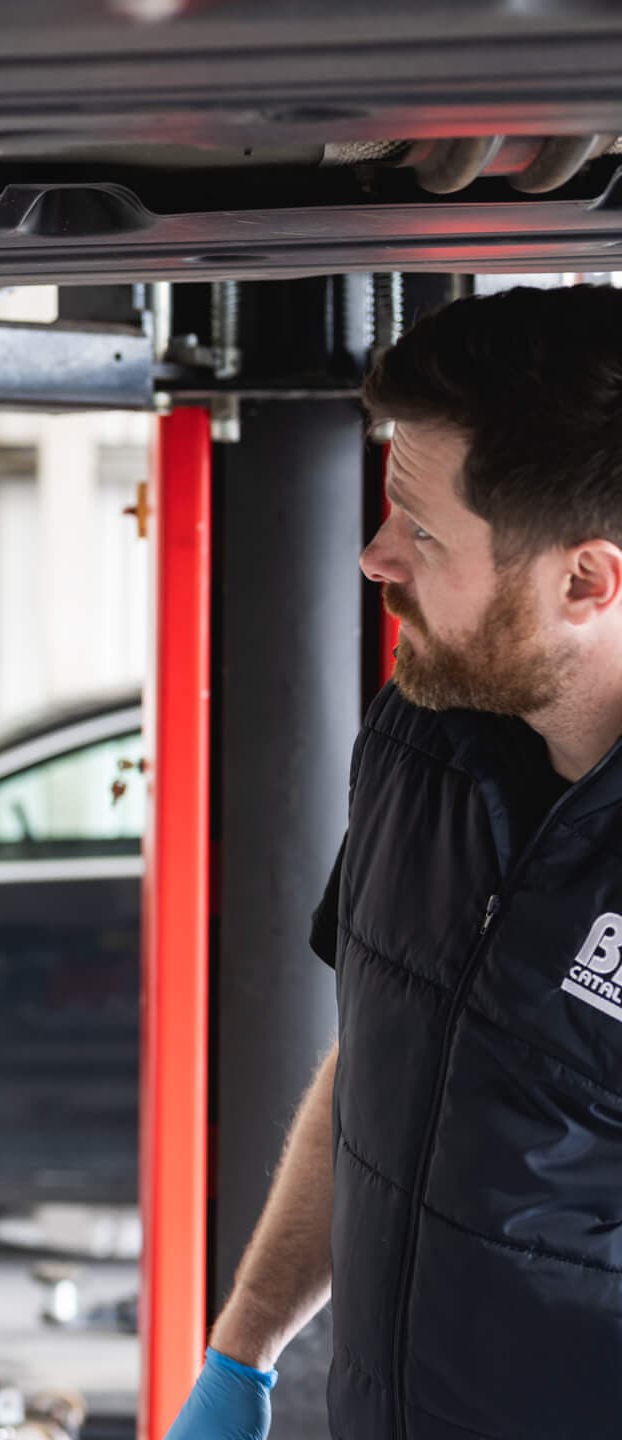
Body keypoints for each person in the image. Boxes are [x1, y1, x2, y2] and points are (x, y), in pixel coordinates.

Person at [164, 283, 622, 1440]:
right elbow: (386, 1052)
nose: (375, 558)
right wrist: (243, 1350)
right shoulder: (422, 737)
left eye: (420, 533)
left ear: (584, 581)